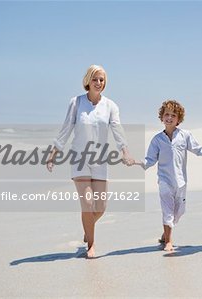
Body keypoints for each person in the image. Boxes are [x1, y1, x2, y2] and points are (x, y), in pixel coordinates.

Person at [46, 64, 134, 258]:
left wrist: (125, 152)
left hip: (100, 159)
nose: (99, 83)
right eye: (95, 79)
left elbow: (118, 131)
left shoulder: (111, 106)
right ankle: (91, 245)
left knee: (101, 207)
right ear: (88, 80)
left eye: (102, 80)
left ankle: (88, 229)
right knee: (87, 203)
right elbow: (66, 129)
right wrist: (54, 153)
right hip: (79, 158)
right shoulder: (76, 103)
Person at [135, 100, 202, 251]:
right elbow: (149, 160)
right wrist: (134, 162)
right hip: (164, 181)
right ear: (162, 117)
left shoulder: (185, 136)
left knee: (179, 212)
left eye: (173, 115)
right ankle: (168, 241)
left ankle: (164, 234)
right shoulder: (157, 140)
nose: (169, 117)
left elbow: (199, 150)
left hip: (181, 182)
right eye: (166, 114)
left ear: (178, 119)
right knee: (167, 211)